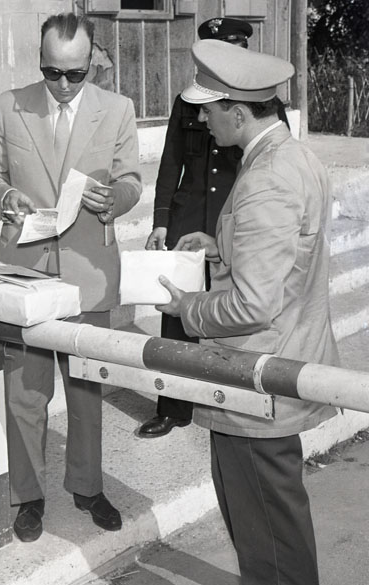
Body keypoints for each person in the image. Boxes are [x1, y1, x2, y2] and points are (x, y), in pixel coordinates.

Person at [156, 40, 339, 585]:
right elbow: (287, 258)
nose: (202, 122)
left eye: (208, 111)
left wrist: (187, 308)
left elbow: (252, 305)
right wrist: (222, 248)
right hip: (278, 361)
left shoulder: (266, 178)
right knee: (271, 528)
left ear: (238, 113)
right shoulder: (291, 156)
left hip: (258, 380)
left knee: (267, 537)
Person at [0, 12, 141, 542]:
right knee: (25, 391)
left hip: (88, 272)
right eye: (52, 73)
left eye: (76, 73)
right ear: (40, 62)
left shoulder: (118, 109)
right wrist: (5, 197)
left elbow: (132, 179)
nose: (64, 85)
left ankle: (87, 487)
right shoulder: (8, 105)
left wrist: (114, 199)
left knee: (87, 389)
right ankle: (28, 496)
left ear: (93, 62)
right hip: (25, 271)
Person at [138, 17, 288, 438]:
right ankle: (173, 407)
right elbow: (171, 162)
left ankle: (229, 400)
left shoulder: (262, 104)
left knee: (232, 310)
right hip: (191, 216)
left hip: (237, 216)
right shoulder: (189, 101)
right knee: (176, 314)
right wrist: (162, 221)